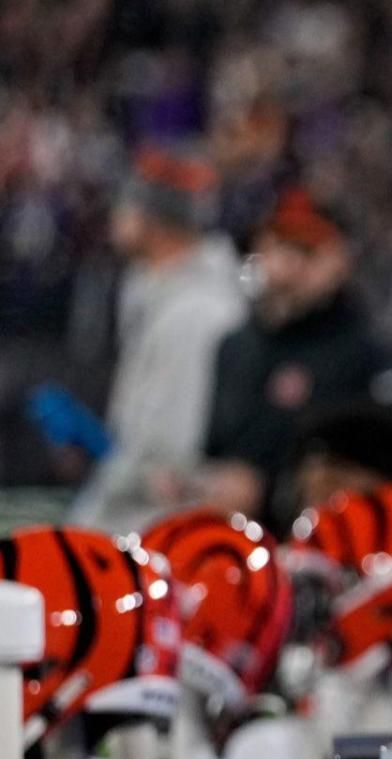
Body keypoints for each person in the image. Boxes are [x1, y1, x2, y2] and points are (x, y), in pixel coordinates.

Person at [201, 187, 392, 533]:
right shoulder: (234, 346)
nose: (291, 263)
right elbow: (215, 448)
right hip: (230, 540)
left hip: (315, 540)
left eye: (308, 250)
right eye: (279, 245)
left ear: (340, 261)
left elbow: (369, 476)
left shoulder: (364, 354)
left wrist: (268, 492)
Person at [66, 148, 247, 534]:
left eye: (126, 207)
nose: (115, 216)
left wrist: (106, 456)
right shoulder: (160, 296)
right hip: (130, 514)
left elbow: (172, 462)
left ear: (154, 221)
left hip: (153, 531)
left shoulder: (198, 313)